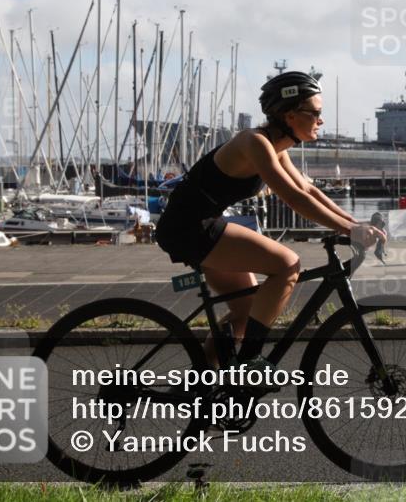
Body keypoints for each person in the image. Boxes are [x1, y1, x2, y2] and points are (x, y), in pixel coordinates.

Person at [156, 71, 386, 377]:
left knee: (246, 311)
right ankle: (250, 360)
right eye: (315, 113)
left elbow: (308, 190)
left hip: (200, 224)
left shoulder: (277, 148)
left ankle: (201, 385)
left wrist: (353, 223)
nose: (321, 120)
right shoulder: (254, 142)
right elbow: (293, 198)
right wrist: (350, 231)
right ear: (290, 116)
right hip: (190, 227)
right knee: (287, 264)